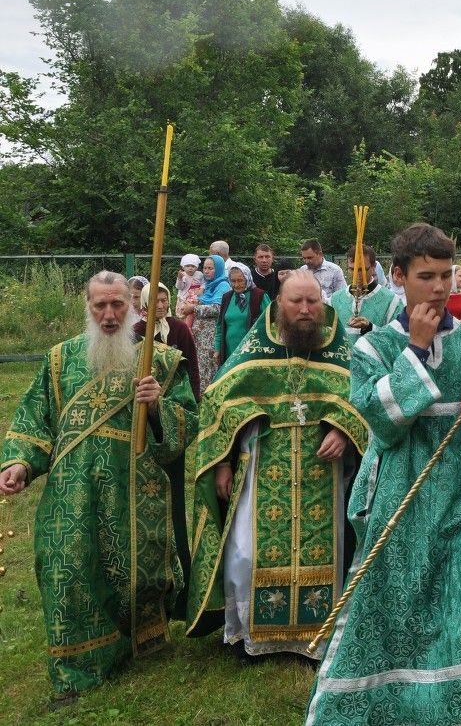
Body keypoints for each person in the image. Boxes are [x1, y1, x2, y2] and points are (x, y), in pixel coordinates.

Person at [306, 224, 461, 726]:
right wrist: (418, 350)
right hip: (400, 496)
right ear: (399, 276)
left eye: (447, 276)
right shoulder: (374, 347)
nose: (441, 288)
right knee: (391, 610)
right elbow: (382, 420)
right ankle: (381, 706)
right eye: (427, 276)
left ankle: (456, 711)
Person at [0, 272, 198, 702]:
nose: (109, 315)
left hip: (132, 488)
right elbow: (34, 419)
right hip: (70, 493)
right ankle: (75, 668)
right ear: (87, 308)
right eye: (100, 307)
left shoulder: (159, 361)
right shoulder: (59, 359)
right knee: (64, 568)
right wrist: (19, 462)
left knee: (129, 573)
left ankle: (131, 642)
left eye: (117, 306)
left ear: (132, 306)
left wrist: (157, 405)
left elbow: (189, 421)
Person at [186, 272, 367, 660]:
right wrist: (222, 464)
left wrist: (345, 428)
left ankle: (317, 635)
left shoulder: (341, 348)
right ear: (278, 304)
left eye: (313, 302)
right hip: (261, 470)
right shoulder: (257, 348)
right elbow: (219, 401)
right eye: (296, 302)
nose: (305, 310)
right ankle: (254, 633)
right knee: (246, 554)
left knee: (331, 549)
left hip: (326, 474)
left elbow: (366, 398)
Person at [133, 282, 201, 617]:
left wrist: (193, 409)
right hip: (139, 427)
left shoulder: (179, 330)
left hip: (171, 422)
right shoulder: (133, 334)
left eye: (164, 299)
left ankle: (180, 578)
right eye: (154, 300)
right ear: (144, 304)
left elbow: (193, 372)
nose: (159, 304)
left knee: (174, 503)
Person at [179, 255, 232, 391]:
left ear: (219, 269)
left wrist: (194, 308)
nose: (207, 271)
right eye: (205, 268)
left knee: (207, 370)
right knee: (199, 368)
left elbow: (218, 308)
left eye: (211, 268)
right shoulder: (209, 285)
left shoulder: (223, 285)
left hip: (211, 336)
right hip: (200, 336)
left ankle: (206, 399)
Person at [328, 244, 402, 337]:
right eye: (352, 269)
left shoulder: (392, 301)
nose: (357, 275)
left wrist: (369, 327)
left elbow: (398, 338)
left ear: (373, 266)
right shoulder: (334, 300)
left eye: (361, 270)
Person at [213, 263, 269, 367]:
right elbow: (220, 326)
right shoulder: (227, 297)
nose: (236, 284)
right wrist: (217, 349)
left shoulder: (259, 296)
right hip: (229, 351)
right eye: (233, 281)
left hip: (252, 353)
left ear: (247, 279)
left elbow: (270, 323)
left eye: (240, 280)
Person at [175, 253, 204, 324]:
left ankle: (191, 328)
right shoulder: (183, 275)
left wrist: (202, 289)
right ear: (183, 267)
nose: (190, 268)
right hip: (185, 298)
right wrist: (179, 279)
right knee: (183, 316)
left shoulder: (199, 274)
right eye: (187, 266)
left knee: (193, 316)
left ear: (196, 267)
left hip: (196, 298)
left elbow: (204, 283)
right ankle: (184, 328)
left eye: (193, 266)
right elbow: (179, 287)